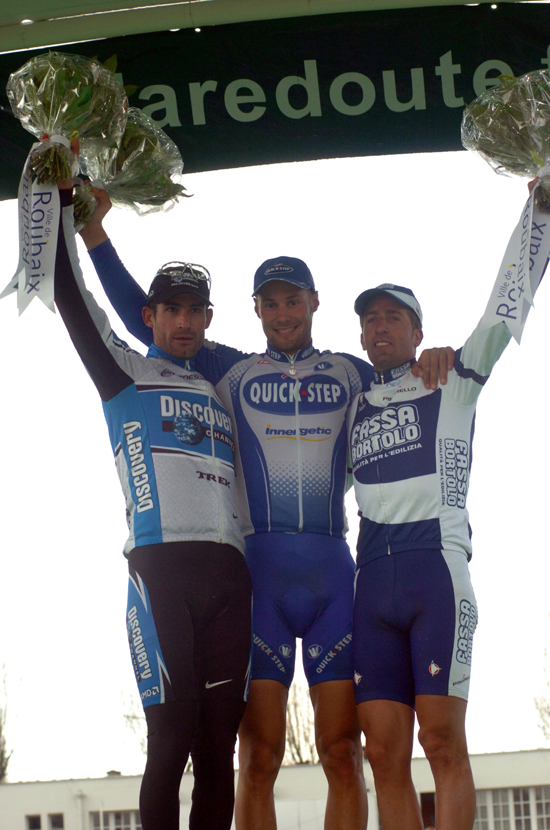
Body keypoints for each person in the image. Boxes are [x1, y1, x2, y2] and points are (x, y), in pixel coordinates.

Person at [80, 193, 452, 830]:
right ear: (254, 310)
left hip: (334, 572)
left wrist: (431, 356)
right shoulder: (230, 367)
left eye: (293, 300)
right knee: (258, 758)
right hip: (260, 578)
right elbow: (150, 320)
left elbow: (401, 371)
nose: (283, 313)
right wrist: (94, 235)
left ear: (314, 304)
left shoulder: (353, 370)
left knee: (342, 752)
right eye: (270, 302)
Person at [52, 184, 252, 830]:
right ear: (151, 316)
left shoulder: (226, 388)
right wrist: (60, 204)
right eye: (171, 309)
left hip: (230, 577)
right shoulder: (124, 372)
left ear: (209, 320)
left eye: (196, 311)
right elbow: (70, 296)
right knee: (173, 732)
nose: (185, 321)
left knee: (220, 746)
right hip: (161, 571)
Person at [347, 274, 542, 830]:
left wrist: (541, 217)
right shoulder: (355, 405)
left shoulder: (450, 377)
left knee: (441, 742)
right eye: (370, 320)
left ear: (417, 332)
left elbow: (501, 315)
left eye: (393, 318)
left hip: (435, 575)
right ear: (362, 338)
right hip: (371, 586)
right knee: (383, 756)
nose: (379, 327)